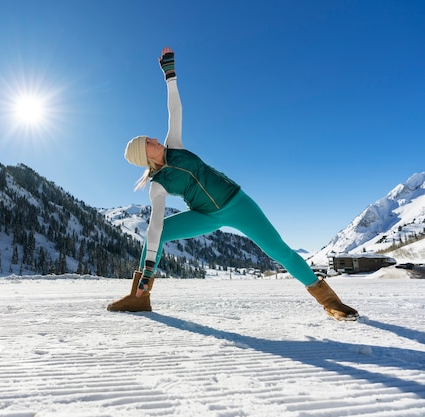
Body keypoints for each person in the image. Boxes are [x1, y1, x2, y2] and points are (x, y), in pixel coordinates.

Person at [107, 47, 359, 321]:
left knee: (280, 251)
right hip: (205, 215)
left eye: (151, 139)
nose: (155, 140)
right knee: (155, 234)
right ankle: (139, 297)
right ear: (145, 156)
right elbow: (156, 225)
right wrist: (148, 270)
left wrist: (170, 75)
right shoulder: (158, 185)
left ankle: (330, 301)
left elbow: (175, 109)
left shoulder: (174, 146)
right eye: (149, 143)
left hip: (237, 203)